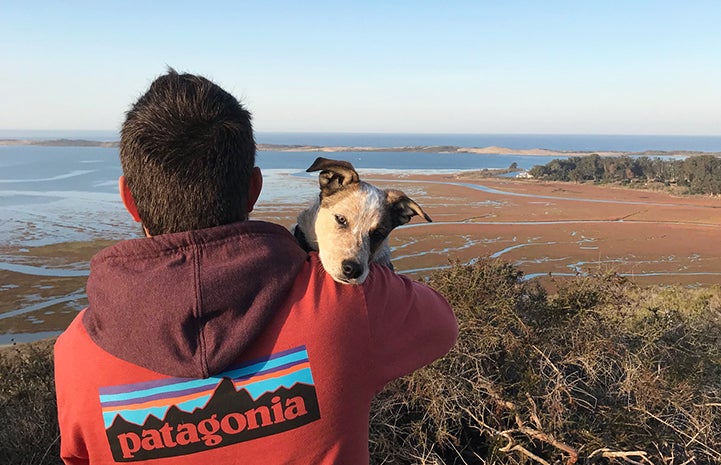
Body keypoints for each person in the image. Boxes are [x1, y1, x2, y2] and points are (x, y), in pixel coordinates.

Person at [54, 69, 458, 464]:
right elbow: (443, 326)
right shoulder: (354, 304)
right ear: (254, 189)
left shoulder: (75, 354)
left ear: (129, 199)